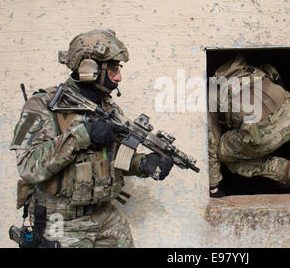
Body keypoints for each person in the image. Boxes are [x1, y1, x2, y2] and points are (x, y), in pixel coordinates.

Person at [10, 29, 174, 247]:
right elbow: (28, 166)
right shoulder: (40, 106)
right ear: (90, 68)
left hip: (104, 214)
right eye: (114, 68)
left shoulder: (109, 108)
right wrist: (81, 136)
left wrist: (143, 164)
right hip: (61, 221)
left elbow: (112, 159)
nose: (119, 77)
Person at [208, 54, 290, 197]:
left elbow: (212, 140)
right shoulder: (255, 70)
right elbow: (278, 79)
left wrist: (213, 184)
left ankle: (279, 170)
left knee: (223, 151)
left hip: (262, 137)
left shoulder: (213, 92)